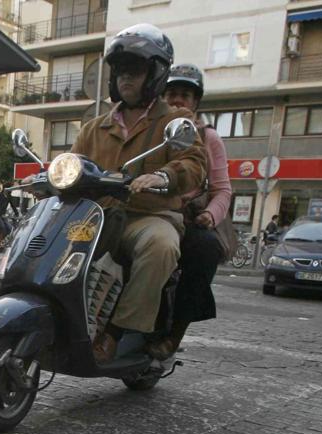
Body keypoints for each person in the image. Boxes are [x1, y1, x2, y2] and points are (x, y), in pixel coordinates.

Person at [70, 23, 207, 361]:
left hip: (148, 215)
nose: (126, 78)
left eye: (136, 70)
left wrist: (163, 176)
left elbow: (193, 165)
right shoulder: (93, 127)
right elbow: (73, 164)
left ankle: (116, 332)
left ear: (156, 74)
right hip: (97, 216)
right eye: (120, 71)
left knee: (160, 246)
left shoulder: (175, 121)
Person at [150, 63, 232, 358]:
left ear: (196, 102)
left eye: (184, 95)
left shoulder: (209, 138)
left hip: (186, 218)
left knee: (204, 249)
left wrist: (210, 214)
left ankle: (174, 333)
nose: (176, 100)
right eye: (171, 93)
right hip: (149, 210)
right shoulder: (150, 131)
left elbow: (223, 189)